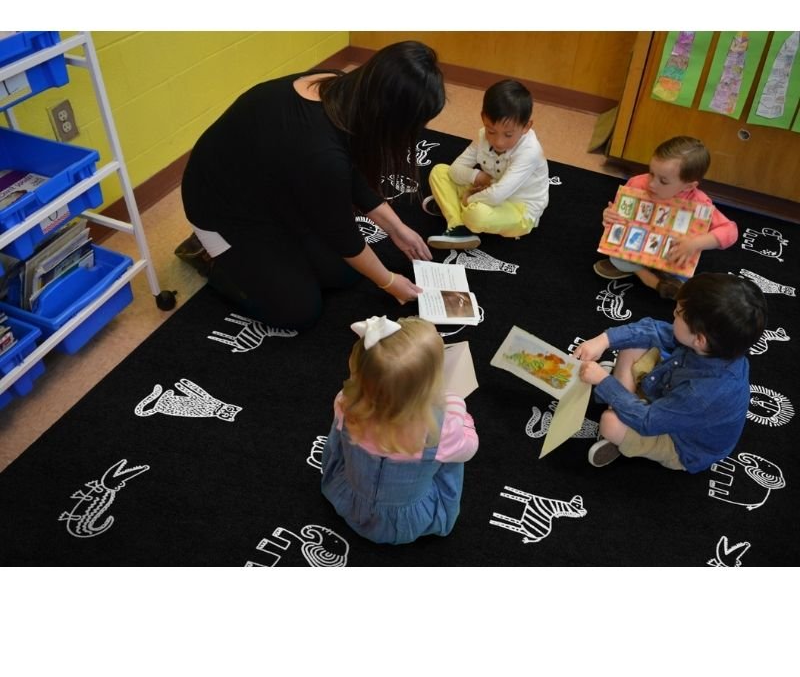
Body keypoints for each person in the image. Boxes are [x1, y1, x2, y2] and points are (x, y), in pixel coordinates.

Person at [176, 41, 446, 330]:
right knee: (297, 309)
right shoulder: (320, 153)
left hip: (273, 189)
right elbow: (342, 233)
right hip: (222, 211)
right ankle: (208, 255)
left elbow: (348, 169)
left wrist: (395, 227)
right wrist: (389, 282)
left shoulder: (339, 89)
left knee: (345, 274)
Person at [574, 272, 767, 473]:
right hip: (670, 396)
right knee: (633, 343)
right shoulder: (715, 346)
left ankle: (620, 420)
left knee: (610, 423)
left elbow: (648, 421)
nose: (672, 315)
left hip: (681, 443)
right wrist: (604, 340)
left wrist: (604, 382)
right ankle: (621, 402)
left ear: (699, 340)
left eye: (677, 313)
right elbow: (654, 330)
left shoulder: (702, 394)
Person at [321, 315, 478, 545]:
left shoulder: (345, 403)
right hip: (406, 522)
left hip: (350, 502)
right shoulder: (441, 428)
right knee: (451, 455)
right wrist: (455, 404)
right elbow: (469, 448)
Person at [594, 136, 738, 299]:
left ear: (689, 185)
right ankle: (651, 280)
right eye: (651, 173)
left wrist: (695, 244)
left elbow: (730, 231)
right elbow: (620, 213)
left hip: (670, 255)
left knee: (681, 271)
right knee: (616, 255)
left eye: (663, 181)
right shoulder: (637, 183)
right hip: (636, 246)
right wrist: (609, 214)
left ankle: (641, 272)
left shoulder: (699, 203)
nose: (652, 184)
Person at [424, 79, 549, 250]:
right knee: (440, 171)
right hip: (489, 189)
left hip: (519, 209)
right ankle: (458, 226)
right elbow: (455, 169)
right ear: (483, 118)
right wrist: (477, 176)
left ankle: (454, 209)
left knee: (477, 215)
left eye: (508, 134)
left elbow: (497, 196)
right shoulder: (483, 135)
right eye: (491, 131)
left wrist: (469, 198)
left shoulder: (530, 152)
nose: (498, 141)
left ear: (526, 126)